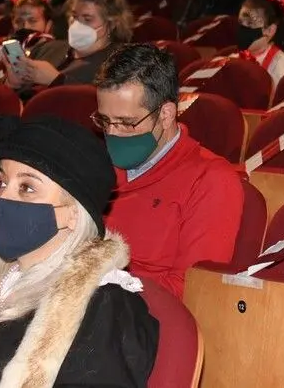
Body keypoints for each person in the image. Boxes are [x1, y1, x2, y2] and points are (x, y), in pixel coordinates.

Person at [0, 114, 158, 386]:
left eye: (27, 187)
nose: (2, 198)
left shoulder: (105, 308)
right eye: (1, 183)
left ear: (73, 214)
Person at [94, 44, 244, 299]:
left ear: (166, 114)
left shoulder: (211, 180)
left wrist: (92, 280)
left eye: (127, 123)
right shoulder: (98, 164)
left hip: (141, 313)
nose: (112, 133)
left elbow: (192, 290)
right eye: (105, 121)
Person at [3, 0, 132, 93]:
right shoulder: (47, 48)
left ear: (111, 23)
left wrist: (56, 80)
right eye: (74, 16)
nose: (77, 24)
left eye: (87, 19)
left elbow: (102, 102)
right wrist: (12, 84)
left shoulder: (120, 65)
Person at [0, 0, 66, 77]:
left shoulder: (58, 49)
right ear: (12, 23)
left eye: (32, 21)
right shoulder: (1, 52)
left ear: (48, 25)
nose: (25, 26)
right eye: (19, 22)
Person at [237, 0, 284, 85]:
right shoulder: (232, 58)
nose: (243, 30)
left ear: (270, 30)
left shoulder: (281, 65)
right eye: (241, 23)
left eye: (250, 24)